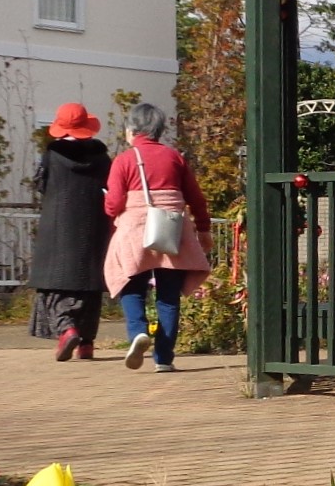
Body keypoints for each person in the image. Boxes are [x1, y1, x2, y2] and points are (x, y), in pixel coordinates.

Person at [102, 102, 212, 373]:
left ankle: (138, 331)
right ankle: (164, 358)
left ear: (132, 129)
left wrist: (108, 205)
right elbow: (196, 198)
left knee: (130, 283)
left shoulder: (125, 160)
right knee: (168, 295)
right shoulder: (175, 158)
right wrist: (203, 229)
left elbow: (114, 205)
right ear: (159, 129)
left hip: (135, 229)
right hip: (171, 230)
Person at [29, 104, 114, 360]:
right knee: (88, 284)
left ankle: (67, 330)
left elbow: (40, 184)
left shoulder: (52, 155)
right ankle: (86, 344)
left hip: (59, 226)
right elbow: (111, 185)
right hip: (93, 225)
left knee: (57, 284)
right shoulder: (101, 156)